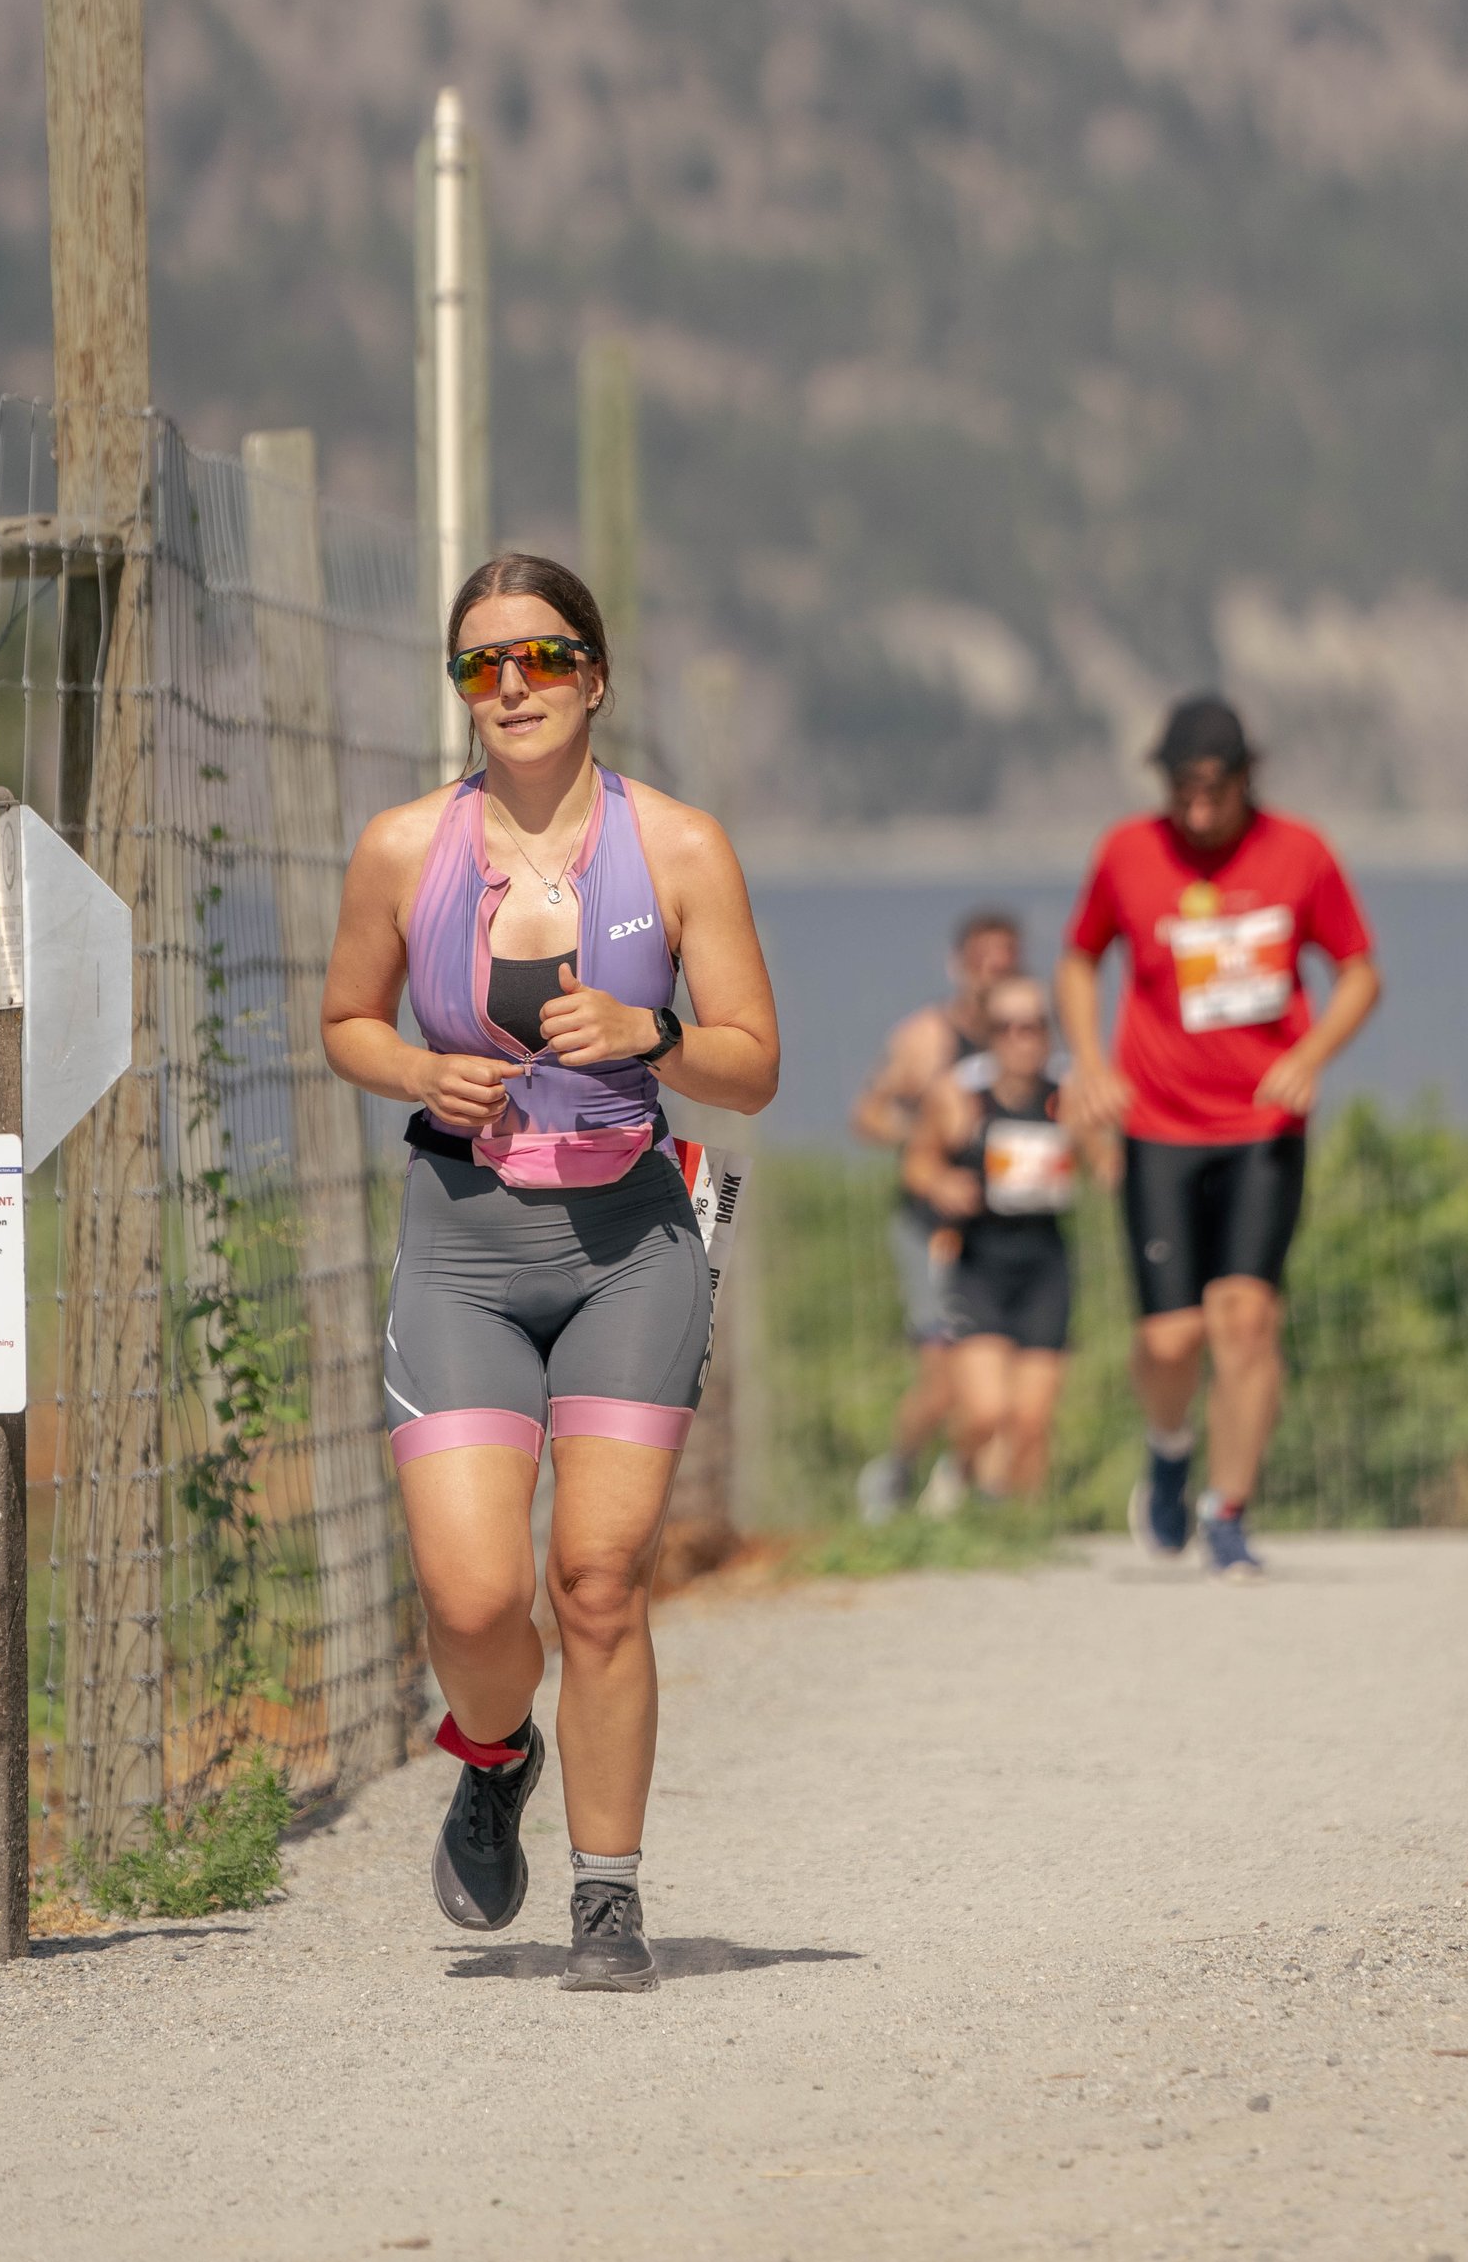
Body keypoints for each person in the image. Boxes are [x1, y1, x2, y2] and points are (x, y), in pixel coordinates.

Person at [321, 551, 779, 1993]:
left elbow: (754, 1067)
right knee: (471, 1600)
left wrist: (650, 1036)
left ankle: (608, 1895)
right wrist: (418, 1064)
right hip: (461, 1250)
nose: (511, 687)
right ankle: (495, 1748)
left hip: (628, 1248)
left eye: (541, 657)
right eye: (479, 665)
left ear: (596, 673)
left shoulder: (683, 847)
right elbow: (345, 1018)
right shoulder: (405, 846)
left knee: (595, 1579)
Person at [1055, 697, 1379, 1577]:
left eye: (1216, 788)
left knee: (1247, 1319)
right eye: (1182, 788)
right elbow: (1080, 957)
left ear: (1247, 778)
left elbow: (1358, 972)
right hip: (1159, 1124)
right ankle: (1168, 1451)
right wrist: (1089, 1062)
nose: (1198, 807)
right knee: (1171, 1337)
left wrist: (1314, 1054)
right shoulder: (1128, 853)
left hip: (1263, 1126)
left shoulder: (1299, 854)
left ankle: (1228, 1510)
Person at [848, 905, 1026, 1521]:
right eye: (983, 966)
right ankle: (897, 1470)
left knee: (1004, 1365)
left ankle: (969, 1493)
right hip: (933, 1226)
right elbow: (868, 1114)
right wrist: (926, 1138)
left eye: (1007, 966)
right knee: (944, 1369)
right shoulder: (927, 1038)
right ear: (960, 968)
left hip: (1003, 1228)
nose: (994, 978)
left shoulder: (1028, 1035)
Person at [899, 972, 1089, 1503]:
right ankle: (958, 1473)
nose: (1021, 1039)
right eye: (1007, 1027)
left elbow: (1105, 1158)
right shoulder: (961, 1096)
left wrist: (1102, 1145)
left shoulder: (1067, 1093)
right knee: (987, 1413)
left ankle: (1015, 1530)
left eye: (1033, 1026)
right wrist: (943, 1183)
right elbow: (918, 1163)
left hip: (1045, 1258)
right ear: (990, 1034)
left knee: (1031, 1421)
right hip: (980, 1258)